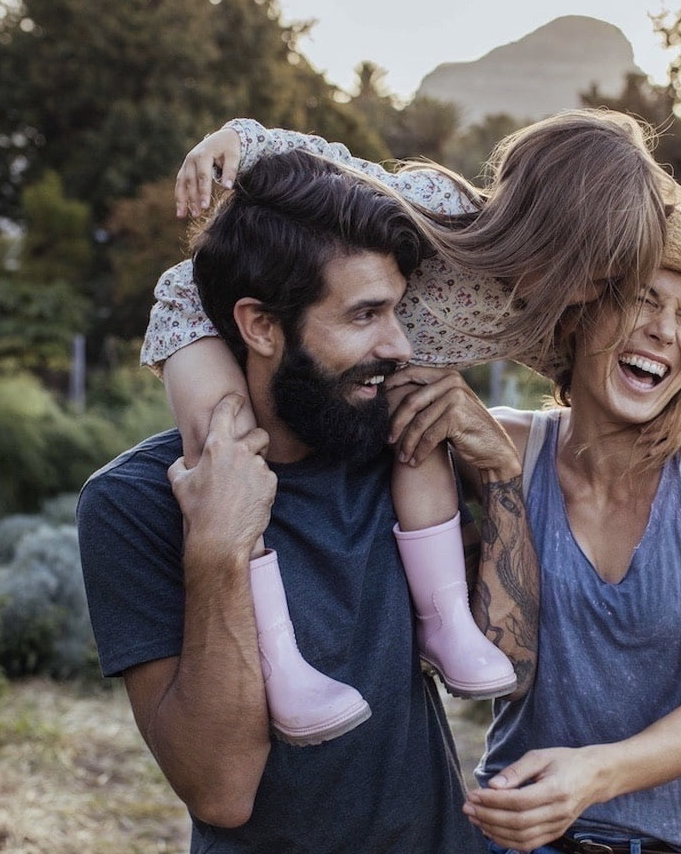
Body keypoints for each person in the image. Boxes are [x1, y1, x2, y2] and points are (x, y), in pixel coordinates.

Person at [149, 110, 675, 737]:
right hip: (202, 311)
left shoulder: (540, 308)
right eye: (588, 272)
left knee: (423, 421)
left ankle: (444, 621)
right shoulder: (438, 208)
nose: (589, 293)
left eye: (607, 281)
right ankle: (277, 659)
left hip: (372, 363)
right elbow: (331, 164)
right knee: (225, 447)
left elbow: (599, 366)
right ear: (542, 228)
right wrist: (239, 140)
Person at [77, 150, 538, 851]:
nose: (399, 343)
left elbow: (515, 663)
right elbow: (221, 792)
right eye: (365, 314)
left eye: (396, 309)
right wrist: (218, 548)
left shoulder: (396, 450)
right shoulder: (132, 503)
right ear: (261, 326)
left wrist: (499, 469)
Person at [456, 202, 681, 854]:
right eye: (642, 298)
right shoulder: (504, 448)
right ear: (576, 313)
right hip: (517, 835)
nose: (664, 330)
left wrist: (593, 775)